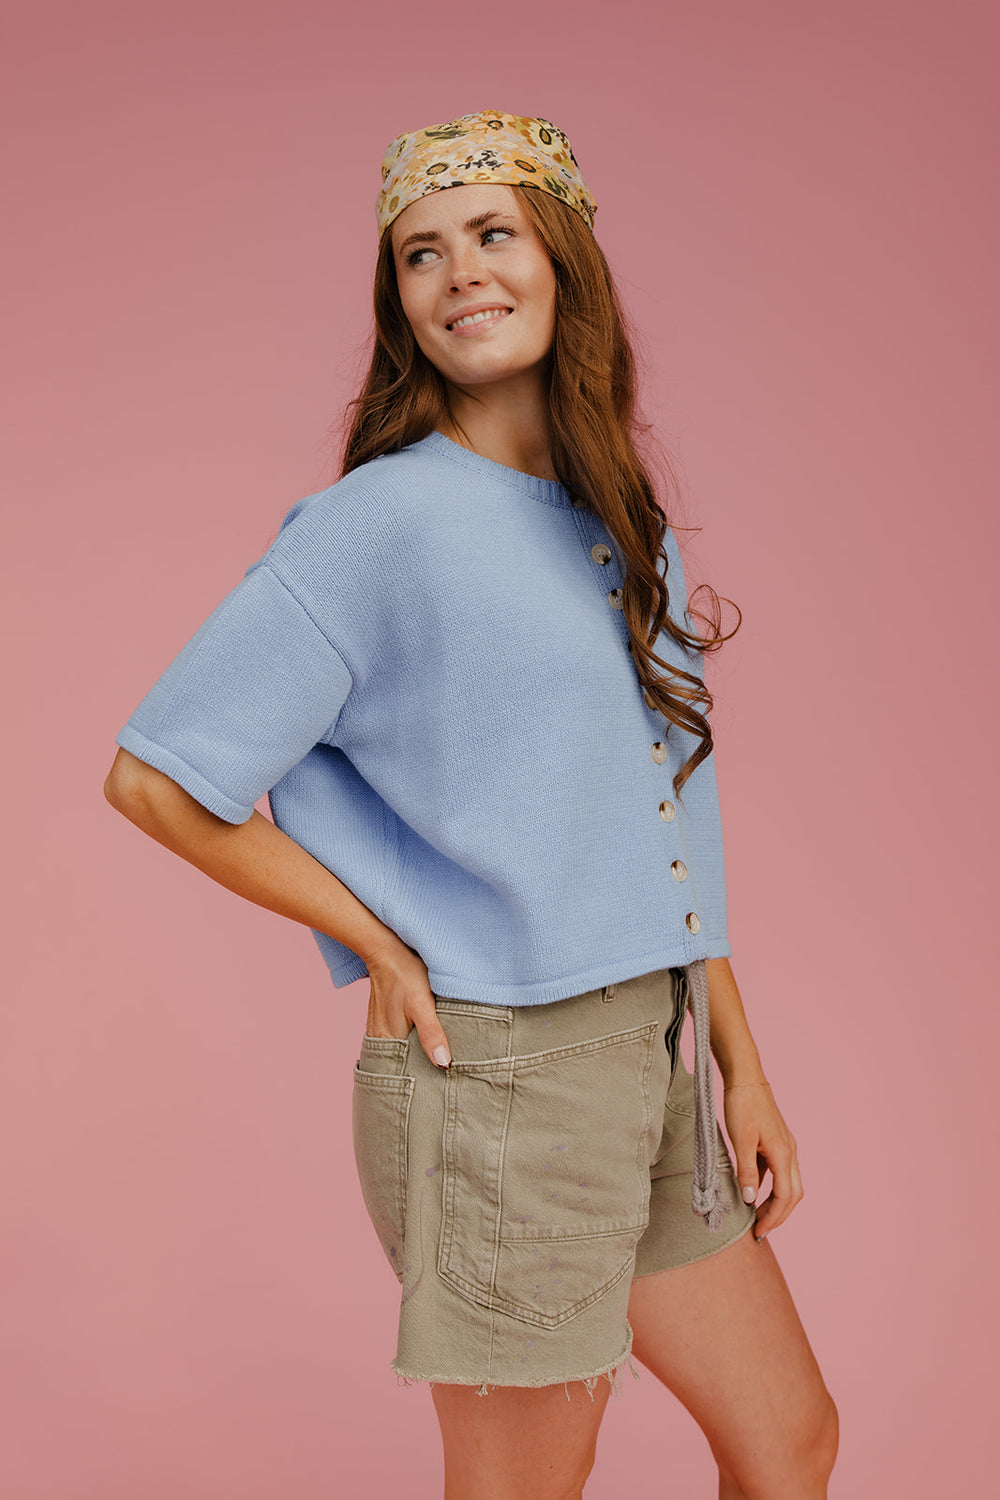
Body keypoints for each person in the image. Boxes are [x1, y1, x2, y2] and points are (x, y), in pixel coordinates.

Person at [105, 109, 838, 1499]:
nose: (461, 276)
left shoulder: (617, 522)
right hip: (500, 1079)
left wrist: (743, 1062)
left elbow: (668, 816)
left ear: (564, 265)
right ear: (400, 306)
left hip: (655, 1055)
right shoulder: (381, 524)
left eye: (493, 236)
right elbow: (155, 776)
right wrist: (379, 939)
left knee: (790, 1439)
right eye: (421, 257)